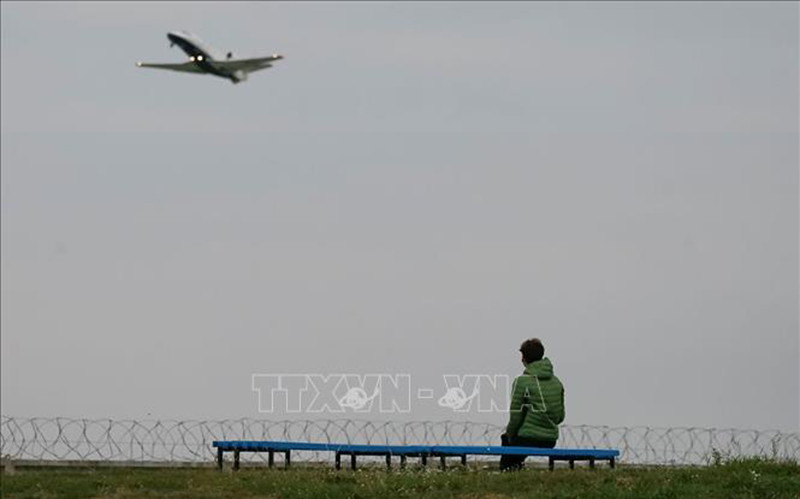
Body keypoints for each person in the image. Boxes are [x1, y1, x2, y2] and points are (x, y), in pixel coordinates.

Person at [500, 338, 565, 471]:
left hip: (527, 438)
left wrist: (509, 435)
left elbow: (515, 417)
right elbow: (560, 416)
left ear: (524, 358)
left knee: (507, 457)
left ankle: (510, 474)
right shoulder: (557, 382)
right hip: (550, 440)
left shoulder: (522, 382)